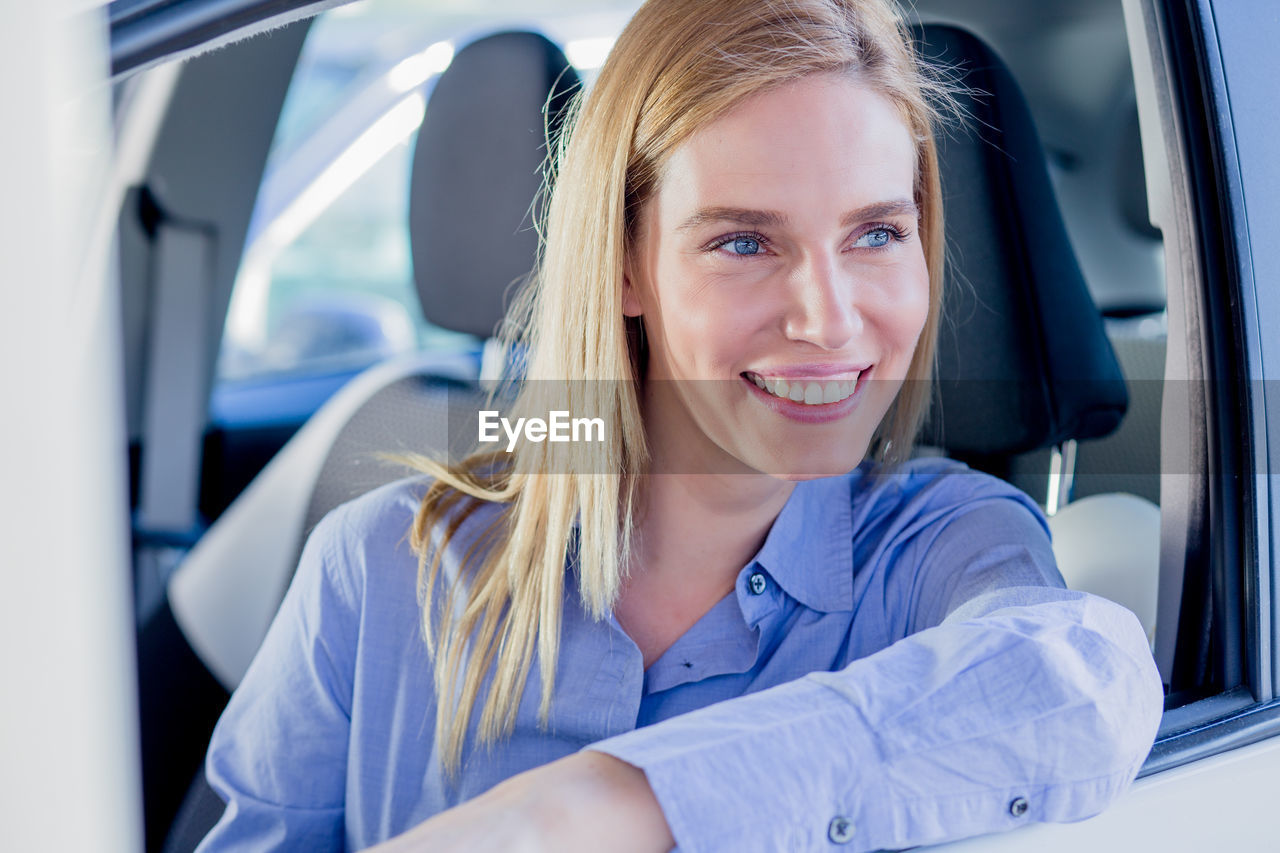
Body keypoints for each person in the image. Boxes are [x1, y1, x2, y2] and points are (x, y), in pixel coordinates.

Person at [196, 0, 1164, 851]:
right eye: (742, 241)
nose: (825, 318)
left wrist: (593, 804)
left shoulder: (935, 547)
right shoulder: (381, 565)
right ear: (624, 266)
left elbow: (1077, 683)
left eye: (874, 232)